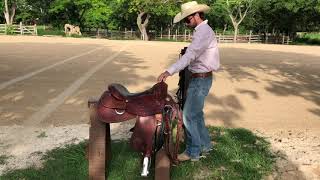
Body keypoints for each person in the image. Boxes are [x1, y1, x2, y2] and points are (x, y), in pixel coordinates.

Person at [157, 1, 220, 162]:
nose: (186, 23)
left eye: (187, 19)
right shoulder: (203, 31)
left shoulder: (202, 32)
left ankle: (193, 152)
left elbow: (190, 56)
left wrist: (168, 71)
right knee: (196, 115)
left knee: (188, 116)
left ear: (197, 15)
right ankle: (205, 145)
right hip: (201, 78)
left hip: (200, 80)